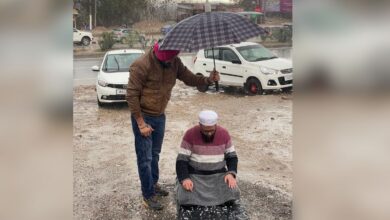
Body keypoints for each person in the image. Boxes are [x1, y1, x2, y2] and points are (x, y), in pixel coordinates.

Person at [126, 42, 220, 210]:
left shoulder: (174, 61)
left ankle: (153, 185)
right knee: (145, 159)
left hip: (159, 116)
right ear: (159, 54)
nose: (170, 62)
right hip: (144, 117)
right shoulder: (141, 65)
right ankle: (147, 195)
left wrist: (207, 79)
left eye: (172, 58)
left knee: (154, 155)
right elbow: (131, 96)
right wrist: (141, 124)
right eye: (167, 60)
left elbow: (189, 78)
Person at [175, 110, 240, 207]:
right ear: (200, 125)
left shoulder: (224, 134)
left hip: (218, 175)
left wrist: (231, 173)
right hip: (195, 176)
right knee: (185, 197)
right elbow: (181, 160)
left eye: (211, 130)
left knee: (232, 193)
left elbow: (232, 157)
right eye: (206, 131)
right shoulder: (190, 134)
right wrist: (185, 179)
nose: (209, 133)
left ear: (215, 125)